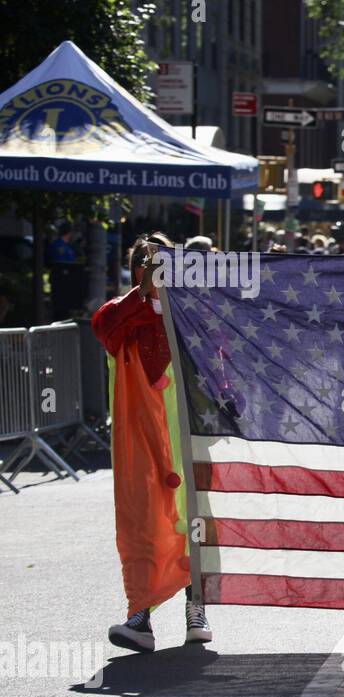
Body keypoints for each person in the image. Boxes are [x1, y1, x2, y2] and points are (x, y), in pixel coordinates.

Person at [93, 233, 212, 653]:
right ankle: (139, 615)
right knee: (144, 527)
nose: (158, 268)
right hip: (141, 445)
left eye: (165, 260)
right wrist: (144, 293)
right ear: (137, 269)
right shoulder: (120, 315)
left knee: (193, 527)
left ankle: (195, 608)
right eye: (148, 261)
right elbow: (107, 328)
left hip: (189, 441)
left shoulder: (196, 317)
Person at [47, 221, 84, 319]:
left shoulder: (65, 246)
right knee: (60, 307)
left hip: (66, 280)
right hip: (61, 280)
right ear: (69, 233)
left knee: (63, 306)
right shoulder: (60, 246)